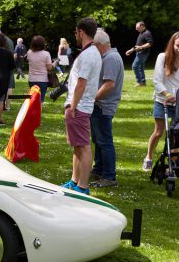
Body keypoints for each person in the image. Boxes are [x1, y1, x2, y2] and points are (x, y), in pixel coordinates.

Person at [142, 31, 179, 171]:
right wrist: (167, 94)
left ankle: (173, 162)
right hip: (163, 100)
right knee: (159, 132)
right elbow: (157, 81)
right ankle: (149, 156)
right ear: (172, 44)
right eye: (178, 45)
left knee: (176, 133)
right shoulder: (163, 57)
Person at [61, 17, 102, 195]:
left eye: (76, 32)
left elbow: (81, 84)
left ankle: (83, 187)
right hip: (80, 105)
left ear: (81, 32)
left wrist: (73, 106)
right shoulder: (92, 52)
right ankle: (74, 181)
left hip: (79, 106)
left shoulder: (89, 54)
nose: (75, 36)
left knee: (83, 146)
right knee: (77, 146)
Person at [90, 29, 124, 188]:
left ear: (97, 45)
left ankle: (109, 177)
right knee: (98, 140)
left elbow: (109, 84)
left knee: (104, 142)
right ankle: (99, 170)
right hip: (99, 106)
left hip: (102, 106)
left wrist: (92, 98)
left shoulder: (110, 58)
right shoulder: (109, 56)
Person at [26, 35, 56, 102]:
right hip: (42, 80)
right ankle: (37, 112)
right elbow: (49, 68)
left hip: (31, 79)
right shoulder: (46, 54)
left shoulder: (29, 52)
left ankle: (32, 112)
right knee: (40, 100)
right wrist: (55, 63)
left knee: (33, 99)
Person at [126, 21, 153, 87]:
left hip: (143, 53)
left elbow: (150, 43)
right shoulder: (141, 33)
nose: (136, 29)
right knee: (140, 68)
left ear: (142, 26)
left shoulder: (147, 33)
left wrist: (141, 47)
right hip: (140, 53)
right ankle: (143, 82)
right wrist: (131, 50)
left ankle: (139, 82)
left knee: (134, 66)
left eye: (137, 28)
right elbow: (138, 45)